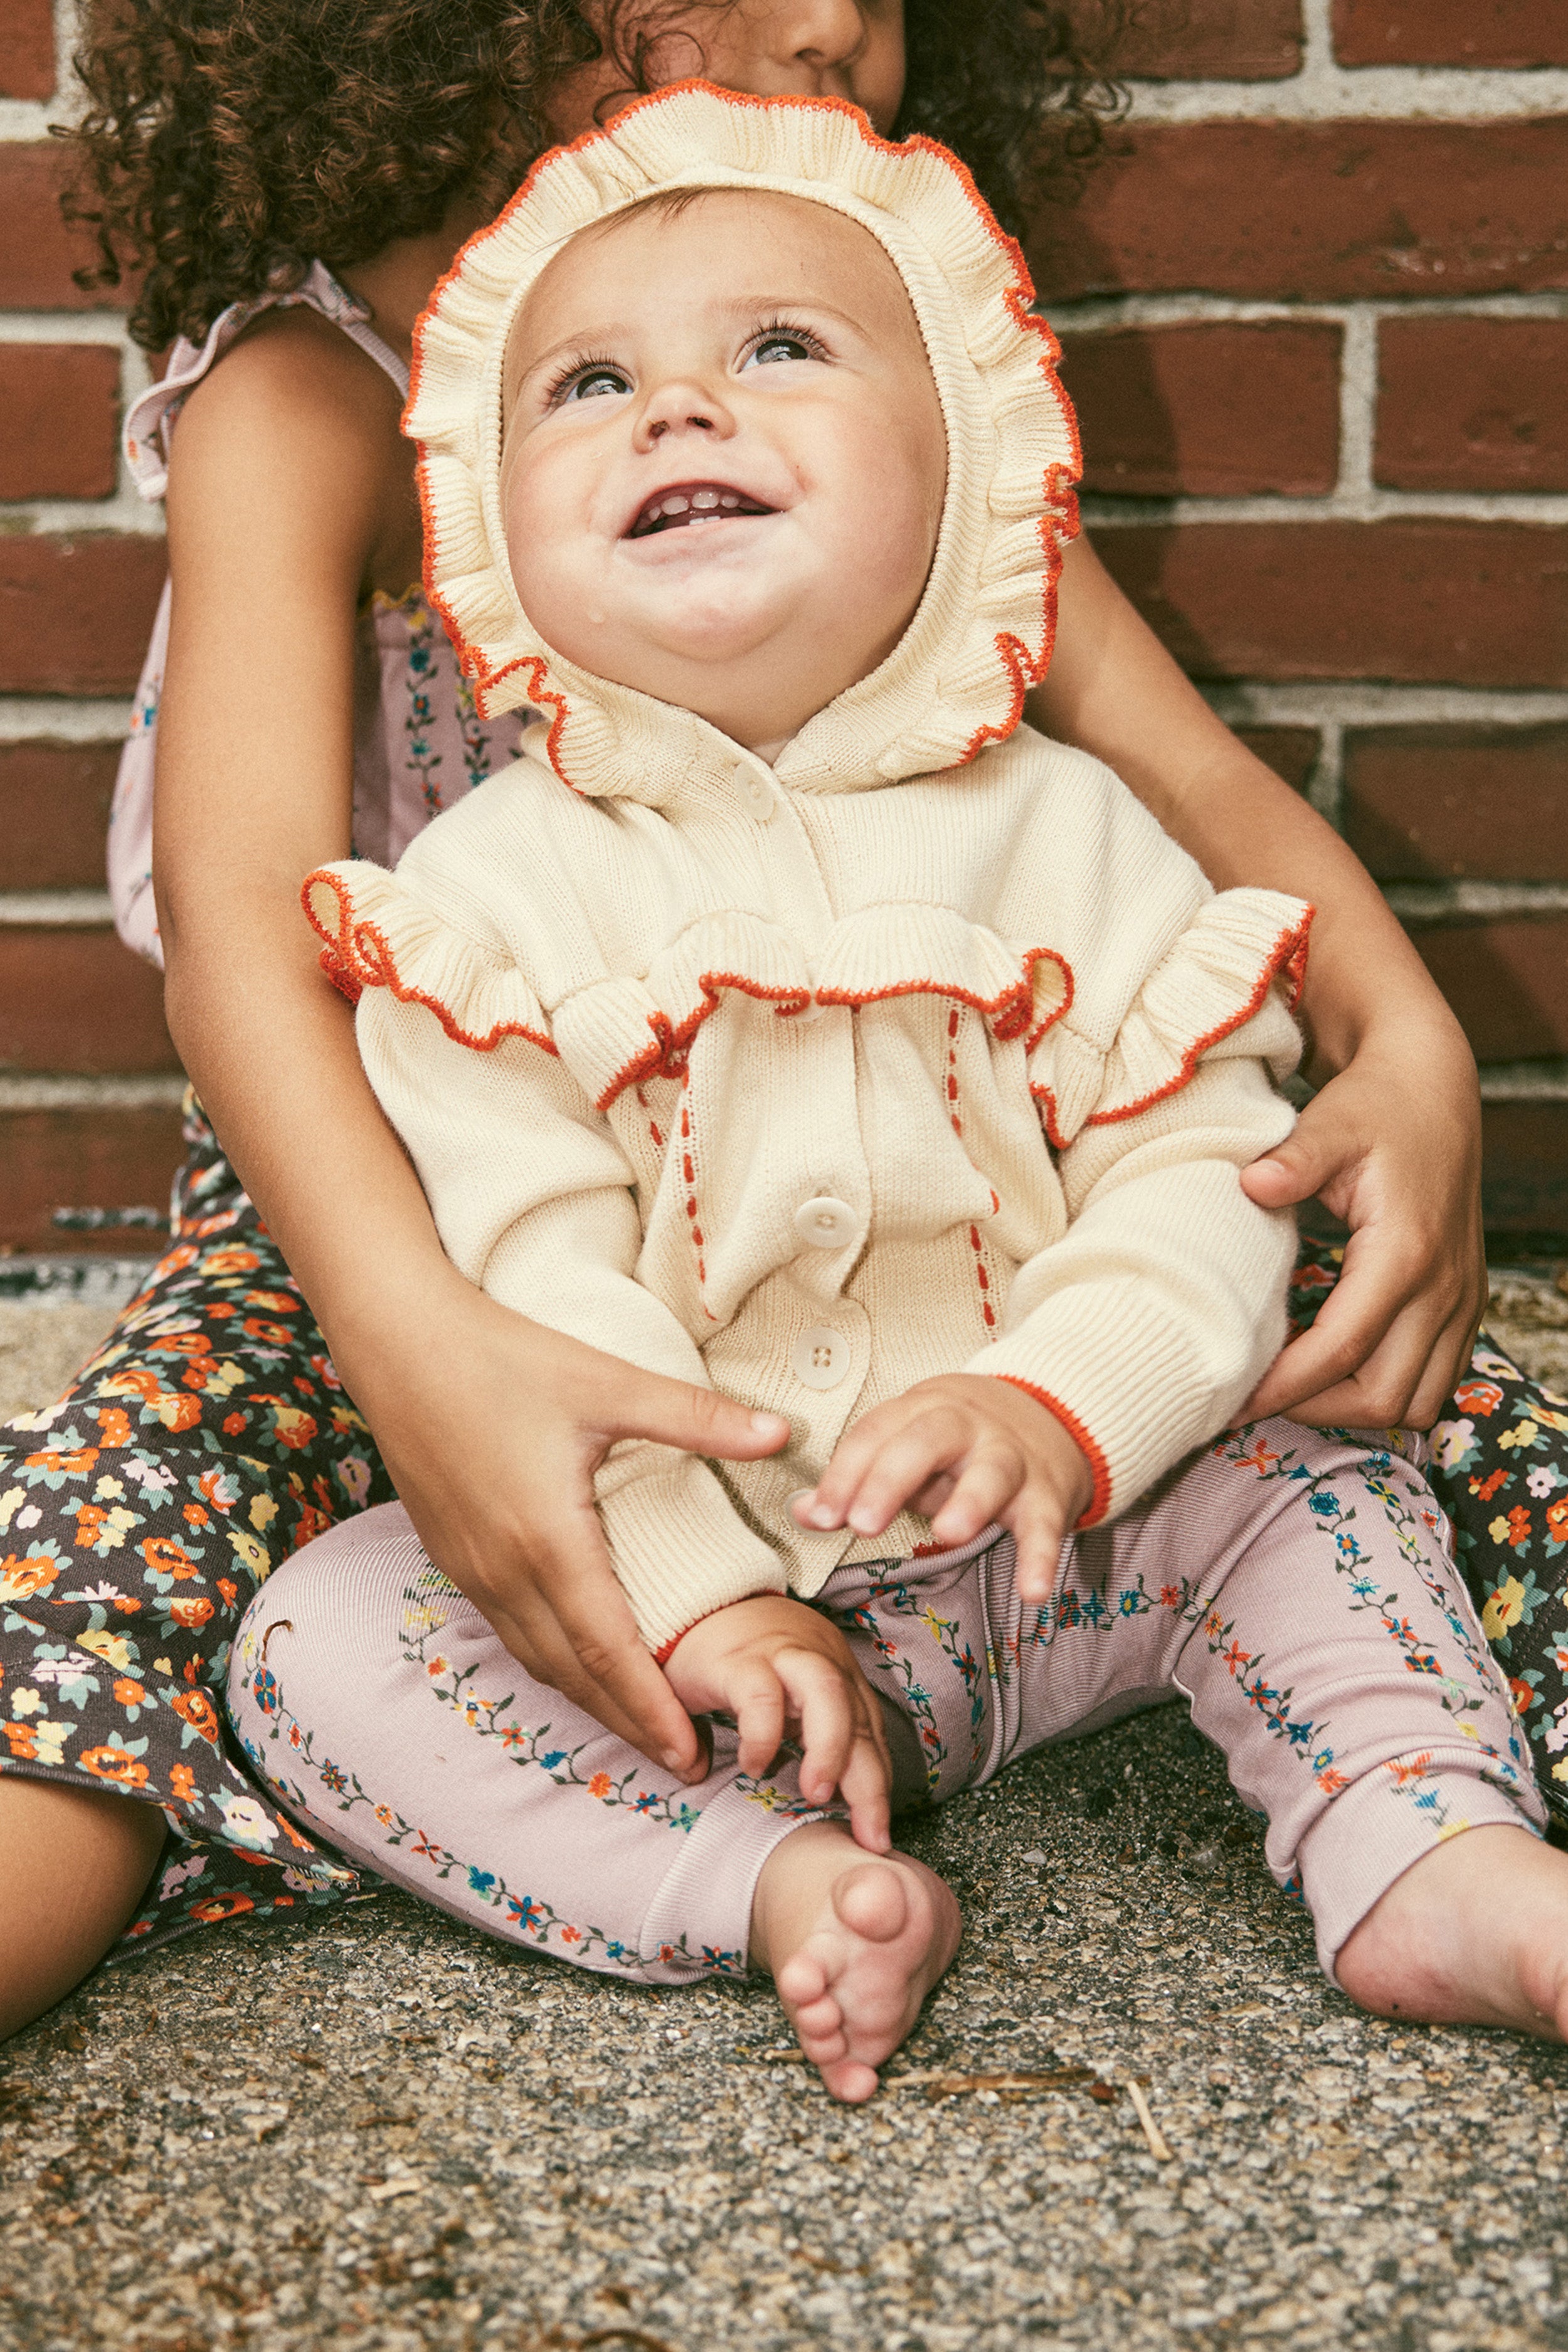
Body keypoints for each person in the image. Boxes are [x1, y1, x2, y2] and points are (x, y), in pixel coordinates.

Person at [1, 0, 1559, 2040]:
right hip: (405, 1171)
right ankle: (687, 1842)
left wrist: (1404, 1044)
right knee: (141, 1535)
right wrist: (421, 1350)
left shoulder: (863, 332)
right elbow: (239, 938)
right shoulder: (309, 399)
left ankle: (1438, 1844)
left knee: (1406, 1409)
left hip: (953, 1148)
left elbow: (1181, 780)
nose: (822, 19)